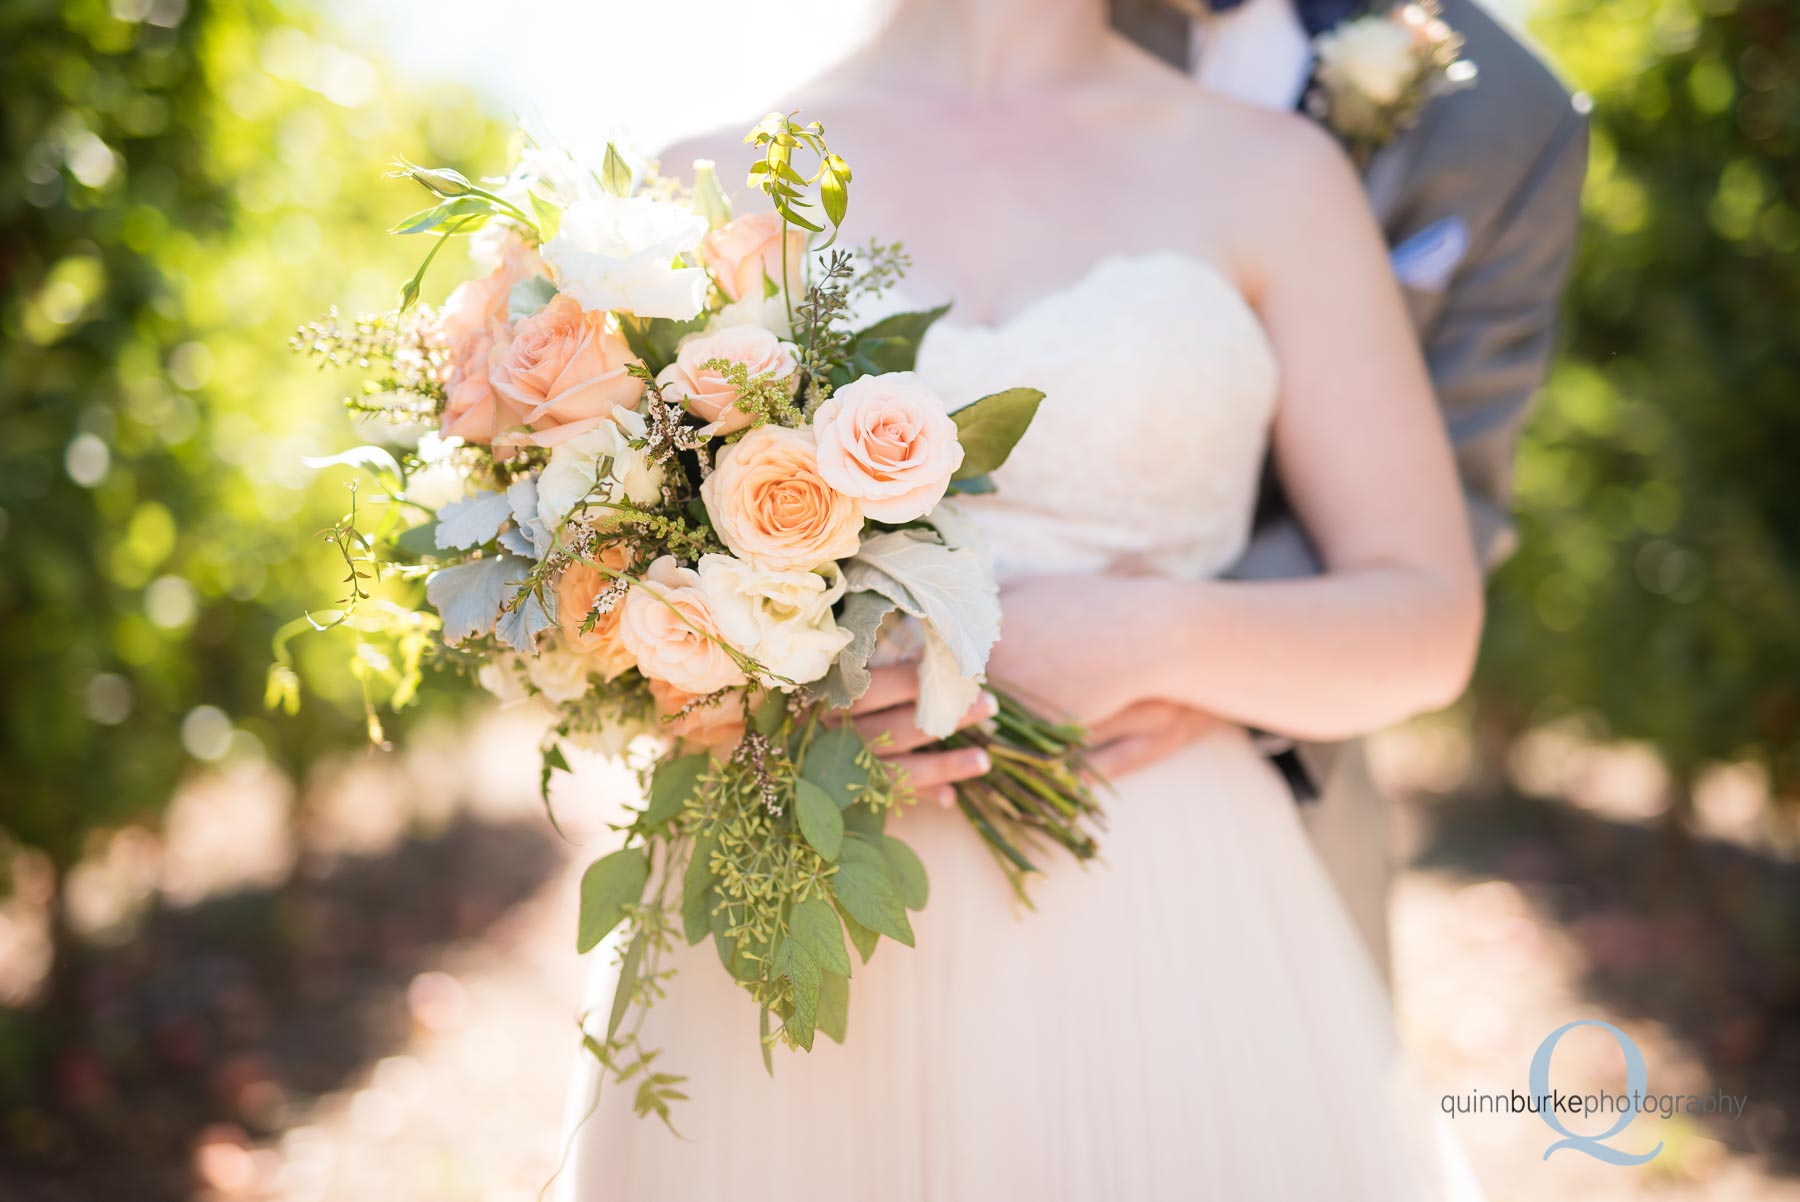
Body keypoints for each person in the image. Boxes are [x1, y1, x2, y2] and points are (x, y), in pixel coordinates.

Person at [562, 0, 1489, 1195]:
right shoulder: (699, 181)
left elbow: (1427, 618)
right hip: (796, 895)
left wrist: (1145, 635)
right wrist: (769, 719)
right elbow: (593, 606)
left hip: (1160, 897)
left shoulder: (1277, 177)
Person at [1107, 0, 1589, 975]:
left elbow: (1457, 490)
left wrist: (1183, 649)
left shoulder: (1513, 116)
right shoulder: (1022, 24)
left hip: (1266, 762)